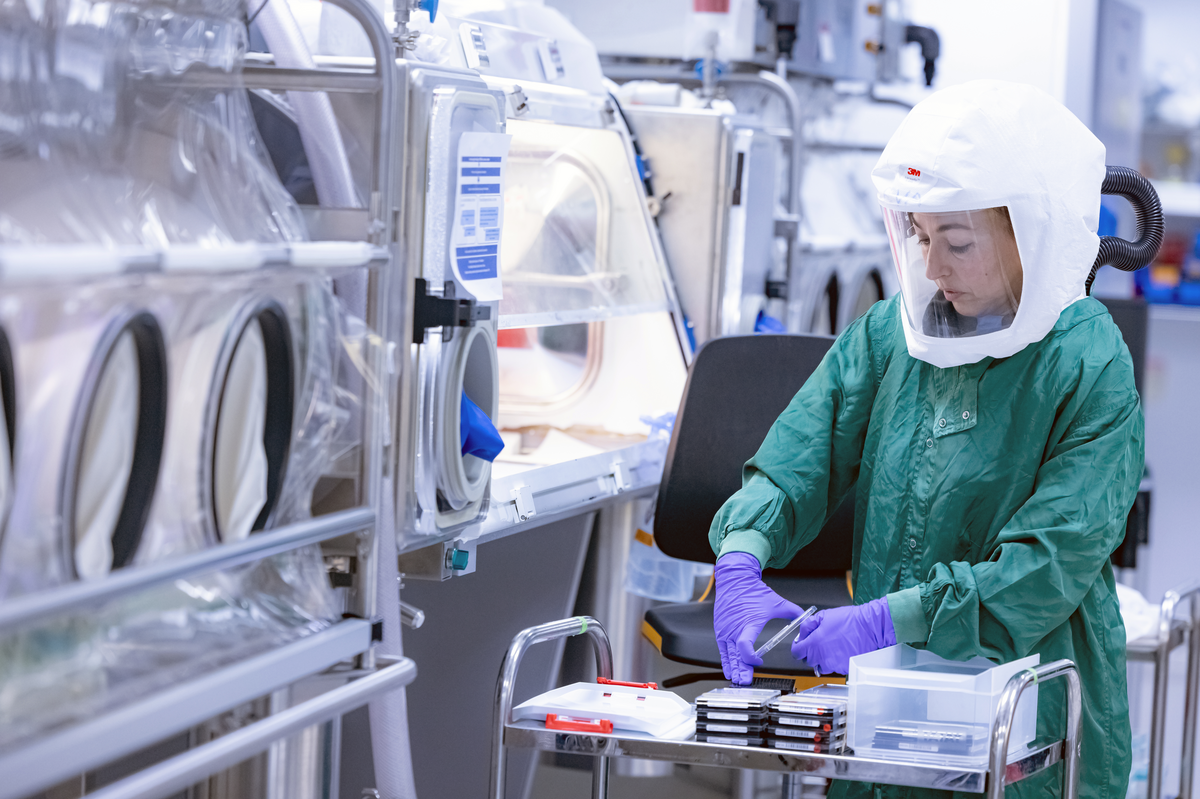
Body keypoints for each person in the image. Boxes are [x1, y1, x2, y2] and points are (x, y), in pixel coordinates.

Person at [710, 80, 1141, 799]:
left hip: (1029, 715)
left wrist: (890, 618)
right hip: (893, 708)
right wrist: (741, 558)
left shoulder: (1087, 361)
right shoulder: (895, 335)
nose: (934, 268)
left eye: (959, 242)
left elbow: (1042, 569)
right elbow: (799, 459)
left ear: (1026, 233)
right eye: (920, 236)